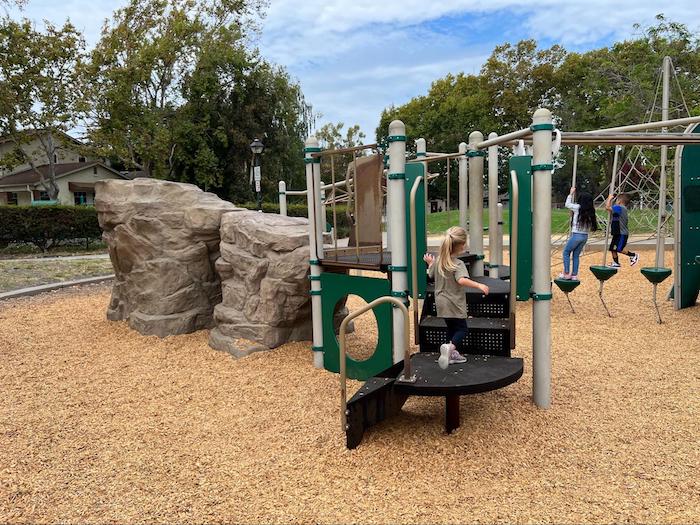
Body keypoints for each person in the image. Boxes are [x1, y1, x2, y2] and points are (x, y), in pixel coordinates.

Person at [423, 226, 489, 369]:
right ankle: (451, 347)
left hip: (441, 302)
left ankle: (450, 355)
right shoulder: (457, 264)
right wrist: (478, 285)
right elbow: (461, 280)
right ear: (461, 245)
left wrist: (430, 264)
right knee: (462, 329)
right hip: (454, 302)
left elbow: (431, 275)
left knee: (451, 328)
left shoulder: (439, 261)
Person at [559, 187, 598, 280]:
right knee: (576, 255)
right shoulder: (591, 211)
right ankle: (574, 275)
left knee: (566, 252)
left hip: (576, 235)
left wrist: (571, 194)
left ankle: (567, 273)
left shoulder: (578, 208)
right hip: (584, 236)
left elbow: (567, 204)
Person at [605, 193, 639, 268]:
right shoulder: (618, 208)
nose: (615, 201)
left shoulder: (620, 208)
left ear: (620, 201)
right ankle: (616, 263)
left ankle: (633, 255)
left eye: (616, 200)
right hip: (617, 233)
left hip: (621, 233)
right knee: (612, 248)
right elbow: (609, 209)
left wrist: (609, 198)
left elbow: (607, 207)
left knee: (618, 249)